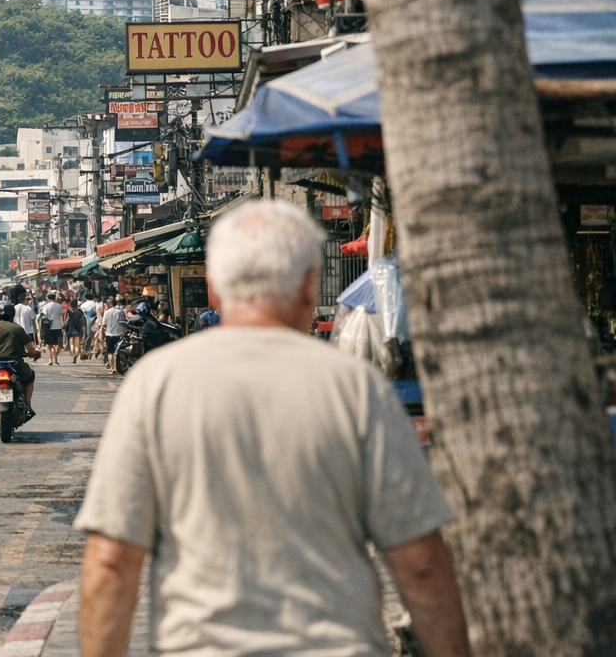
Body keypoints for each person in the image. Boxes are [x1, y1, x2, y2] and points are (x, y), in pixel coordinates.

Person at [74, 200, 468, 657]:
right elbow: (420, 561)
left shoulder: (156, 383)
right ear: (307, 287)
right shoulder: (355, 387)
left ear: (216, 293)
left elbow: (111, 561)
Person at [101, 296, 129, 374]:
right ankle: (117, 367)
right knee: (118, 352)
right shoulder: (120, 312)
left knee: (110, 352)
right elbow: (124, 322)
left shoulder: (107, 312)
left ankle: (112, 368)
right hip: (119, 334)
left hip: (109, 334)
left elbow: (103, 324)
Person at [40, 291, 67, 365]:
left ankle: (50, 360)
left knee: (48, 344)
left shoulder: (45, 306)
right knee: (57, 344)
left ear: (48, 298)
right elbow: (62, 315)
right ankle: (56, 358)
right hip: (58, 326)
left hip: (48, 326)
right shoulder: (60, 306)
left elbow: (44, 317)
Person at [64, 297, 88, 363]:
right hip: (78, 328)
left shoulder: (68, 311)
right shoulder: (80, 312)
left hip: (70, 328)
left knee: (71, 343)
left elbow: (67, 319)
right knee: (77, 344)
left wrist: (63, 325)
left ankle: (73, 354)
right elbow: (83, 320)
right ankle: (76, 355)